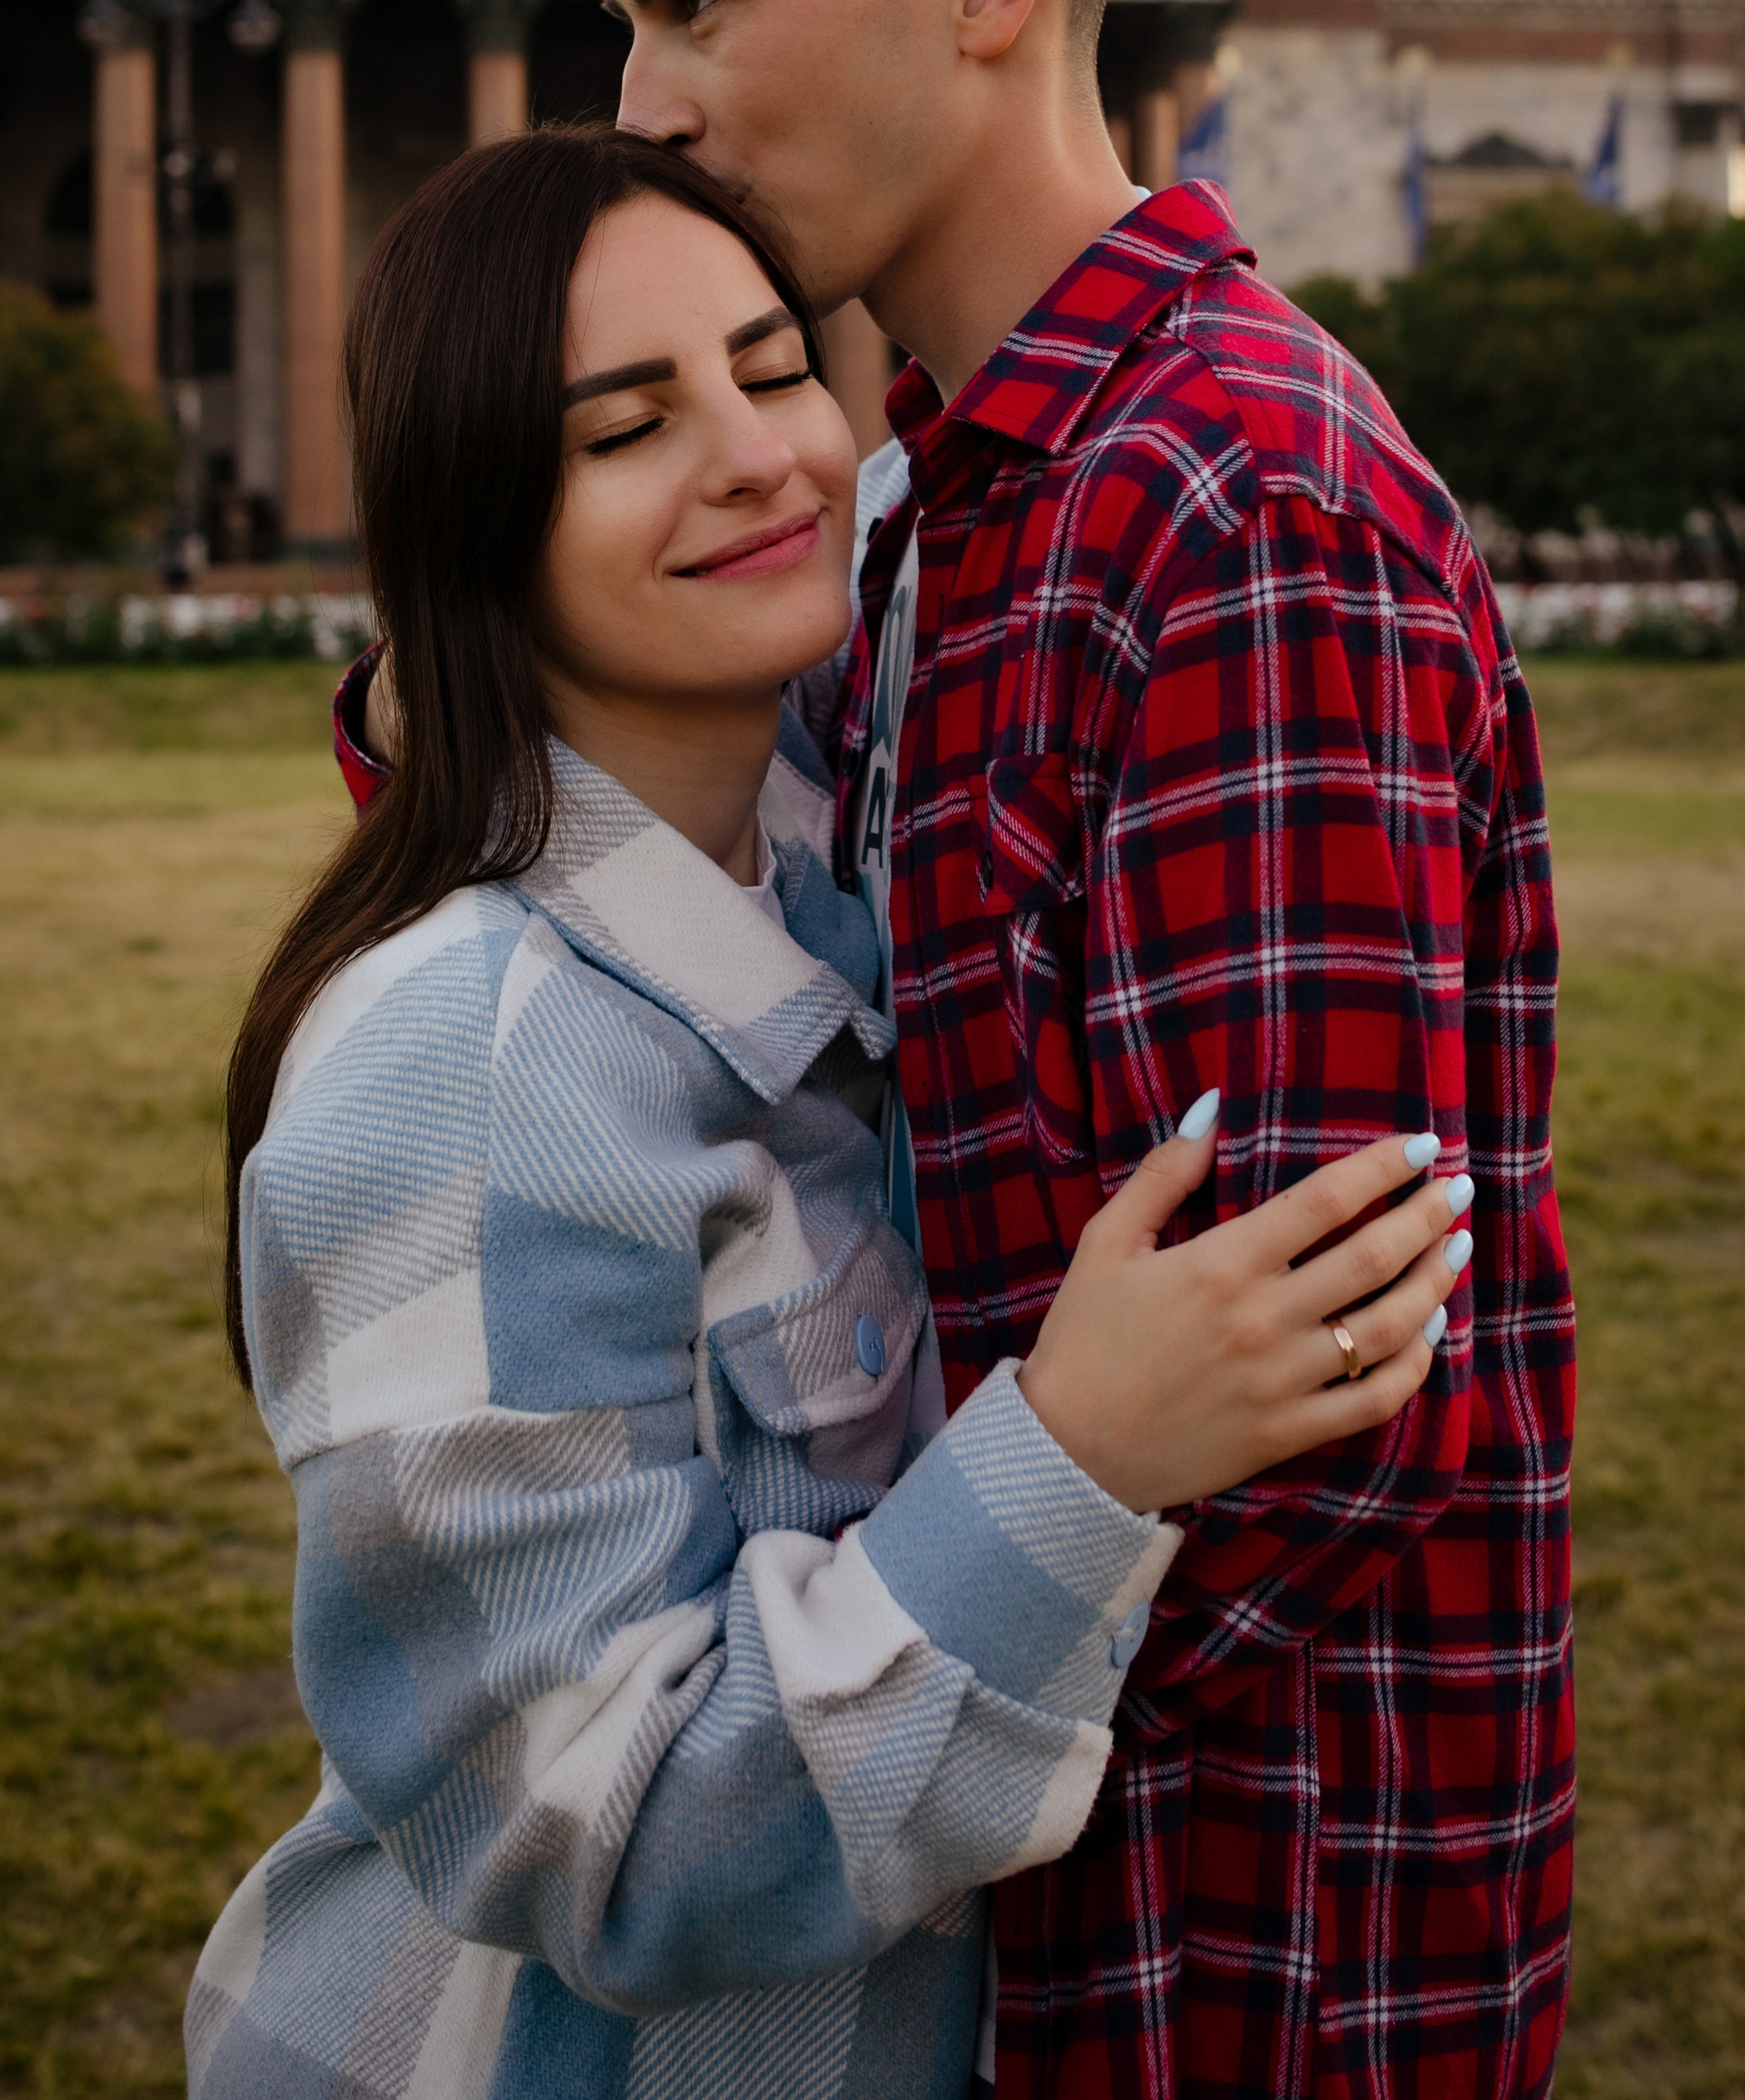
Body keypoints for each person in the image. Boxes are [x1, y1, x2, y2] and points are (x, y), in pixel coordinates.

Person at [189, 127, 1469, 2100]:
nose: (758, 456)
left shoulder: (835, 849)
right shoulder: (455, 1076)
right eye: (624, 428)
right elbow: (604, 1850)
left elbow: (926, 482)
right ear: (472, 524)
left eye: (772, 365)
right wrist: (1078, 1453)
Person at [564, 0, 1578, 2098]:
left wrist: (819, 1747)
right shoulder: (963, 502)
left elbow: (1319, 1419)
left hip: (1244, 1940)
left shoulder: (1223, 508)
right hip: (1056, 1885)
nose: (639, 99)